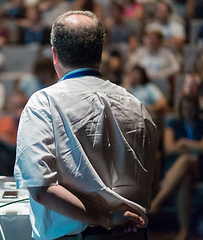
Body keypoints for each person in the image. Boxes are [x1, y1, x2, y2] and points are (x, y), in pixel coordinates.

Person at [14, 11, 158, 240]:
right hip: (133, 233)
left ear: (54, 54)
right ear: (100, 51)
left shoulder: (43, 104)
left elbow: (41, 186)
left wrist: (106, 218)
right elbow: (150, 177)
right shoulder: (136, 105)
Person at [150, 95, 203, 240]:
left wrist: (184, 142)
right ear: (181, 109)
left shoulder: (201, 123)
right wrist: (194, 147)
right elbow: (169, 149)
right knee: (185, 179)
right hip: (174, 168)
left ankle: (157, 201)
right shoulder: (173, 123)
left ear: (196, 109)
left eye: (191, 109)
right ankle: (184, 231)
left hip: (198, 168)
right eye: (186, 108)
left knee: (186, 160)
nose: (189, 112)